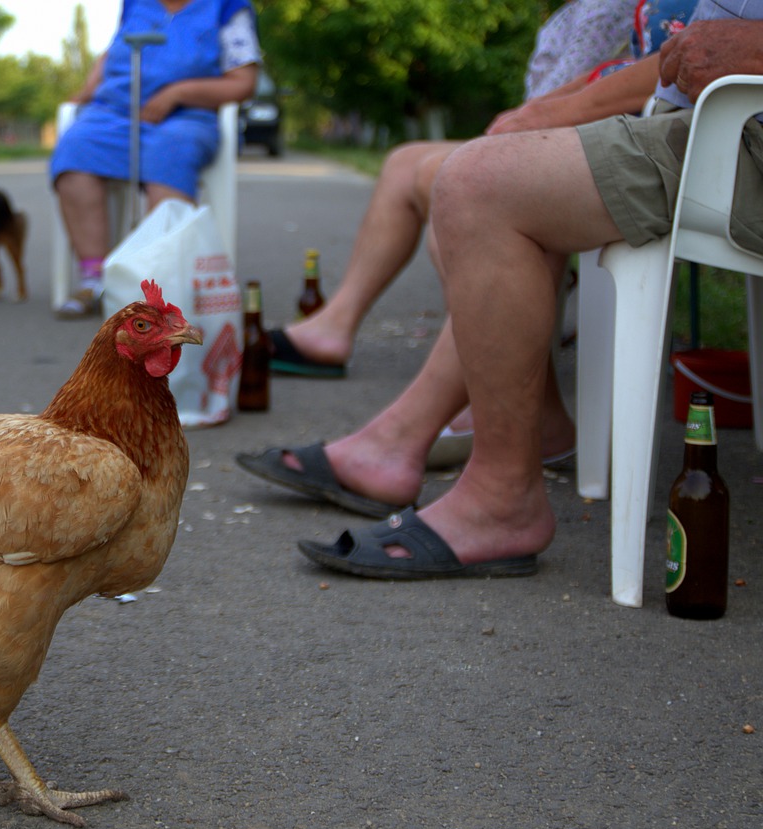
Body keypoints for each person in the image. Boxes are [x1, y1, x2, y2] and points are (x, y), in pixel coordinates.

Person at [239, 2, 763, 580]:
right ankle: (425, 434)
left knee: (476, 184)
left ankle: (491, 489)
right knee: (468, 176)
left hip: (736, 126)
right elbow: (668, 59)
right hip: (701, 122)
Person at [267, 0, 642, 381]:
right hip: (556, 137)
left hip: (581, 144)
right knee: (403, 161)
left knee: (458, 187)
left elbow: (588, 91)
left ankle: (489, 395)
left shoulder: (609, 6)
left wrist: (522, 123)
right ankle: (334, 324)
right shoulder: (582, 7)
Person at [49, 0, 261, 319]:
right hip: (116, 112)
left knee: (169, 152)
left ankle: (159, 286)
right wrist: (84, 93)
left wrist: (178, 92)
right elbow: (109, 55)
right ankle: (95, 280)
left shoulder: (228, 7)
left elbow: (243, 81)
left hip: (188, 115)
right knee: (75, 147)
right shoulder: (134, 3)